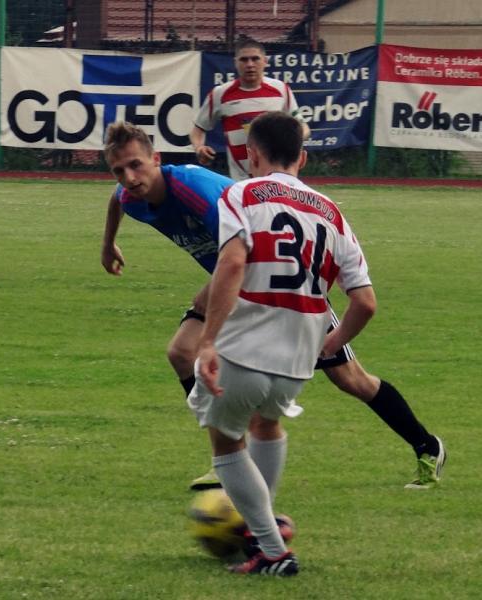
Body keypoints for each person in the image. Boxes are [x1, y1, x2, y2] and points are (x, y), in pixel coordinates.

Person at [101, 121, 445, 491]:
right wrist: (108, 244)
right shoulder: (130, 196)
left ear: (156, 159)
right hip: (239, 288)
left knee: (351, 379)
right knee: (182, 353)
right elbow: (117, 201)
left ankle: (427, 445)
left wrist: (212, 288)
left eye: (136, 165)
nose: (129, 178)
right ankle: (229, 456)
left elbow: (244, 252)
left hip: (285, 287)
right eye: (119, 170)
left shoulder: (195, 191)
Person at [187, 111, 376, 575]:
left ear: (251, 154)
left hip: (247, 341)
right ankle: (262, 530)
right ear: (302, 158)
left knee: (226, 441)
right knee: (266, 423)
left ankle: (271, 550)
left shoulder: (242, 193)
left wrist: (207, 341)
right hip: (298, 356)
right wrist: (331, 344)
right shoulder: (332, 212)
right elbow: (365, 302)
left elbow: (232, 264)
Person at [190, 37, 310, 181]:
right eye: (244, 60)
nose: (250, 64)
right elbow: (198, 129)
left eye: (255, 59)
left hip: (275, 177)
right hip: (240, 180)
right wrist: (199, 148)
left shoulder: (281, 90)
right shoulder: (220, 94)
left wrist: (288, 141)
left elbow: (303, 127)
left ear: (265, 61)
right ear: (235, 62)